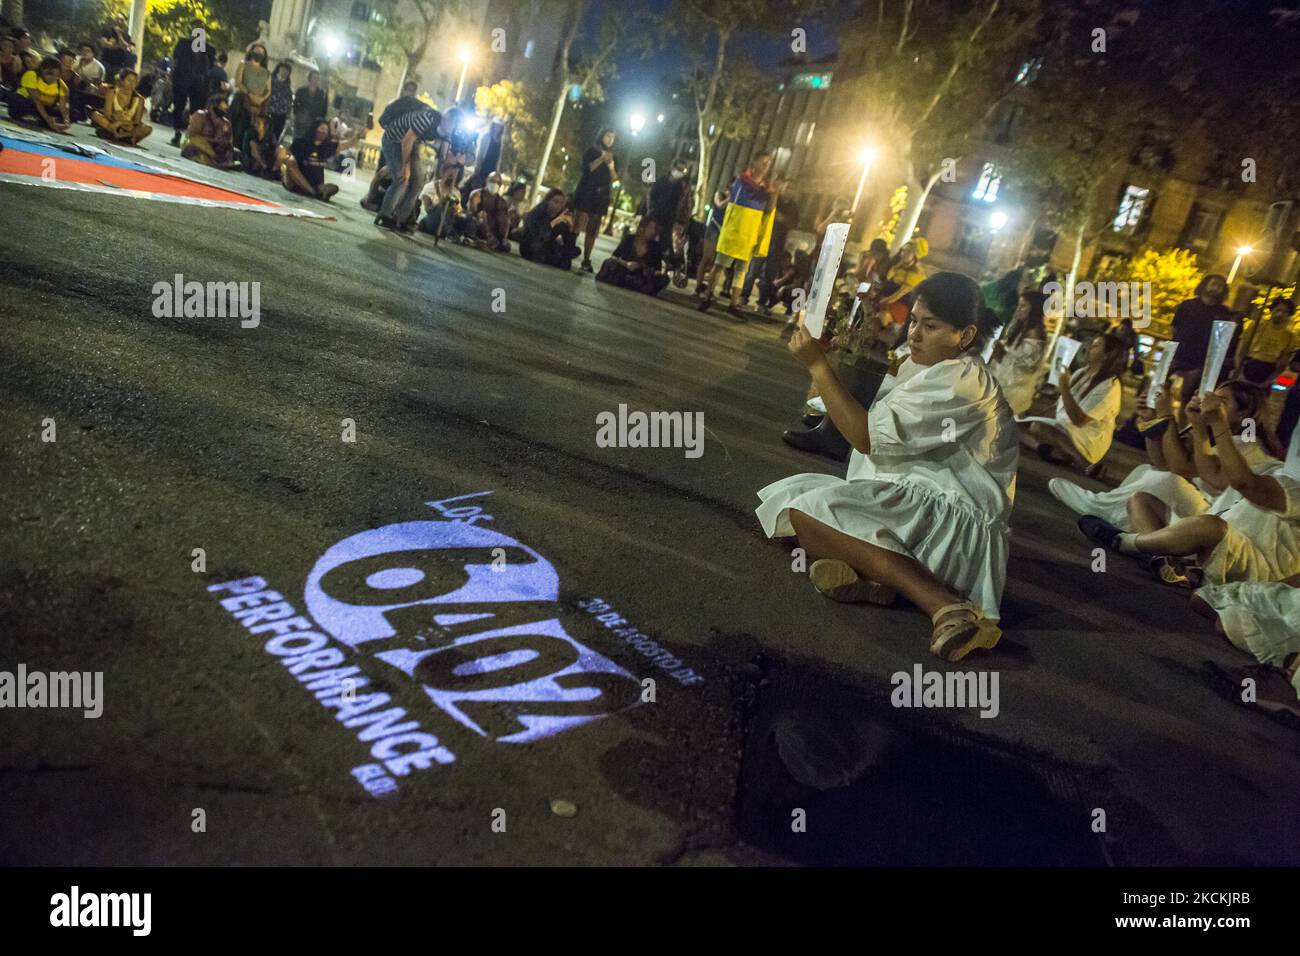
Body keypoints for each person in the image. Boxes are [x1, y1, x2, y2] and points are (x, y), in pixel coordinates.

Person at [756, 272, 1016, 661]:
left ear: (964, 335)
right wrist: (828, 367)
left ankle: (947, 606)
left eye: (930, 326)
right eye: (913, 321)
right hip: (913, 498)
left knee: (808, 514)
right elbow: (865, 414)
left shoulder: (964, 381)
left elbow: (865, 436)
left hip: (948, 524)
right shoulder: (926, 366)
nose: (914, 333)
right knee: (790, 497)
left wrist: (820, 368)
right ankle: (879, 582)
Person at [1052, 381, 1272, 583]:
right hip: (1204, 511)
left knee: (1163, 478)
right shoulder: (1215, 434)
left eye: (1221, 402)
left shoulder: (1247, 444)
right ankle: (1163, 558)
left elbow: (1181, 467)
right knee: (1143, 486)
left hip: (1220, 524)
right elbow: (1161, 461)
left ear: (1246, 414)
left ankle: (1103, 513)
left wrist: (1169, 416)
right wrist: (1152, 421)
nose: (1211, 404)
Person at [1018, 332, 1128, 471]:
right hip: (1063, 429)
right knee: (1013, 424)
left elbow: (1079, 420)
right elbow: (1061, 407)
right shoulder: (1081, 373)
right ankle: (1045, 449)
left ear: (1107, 355)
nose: (1088, 349)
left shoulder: (1110, 386)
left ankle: (1083, 462)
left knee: (1037, 427)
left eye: (1095, 346)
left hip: (1085, 440)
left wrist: (1064, 385)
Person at [698, 152, 775, 319]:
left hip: (750, 234)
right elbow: (733, 206)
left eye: (768, 163)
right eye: (763, 162)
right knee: (720, 265)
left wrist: (772, 196)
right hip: (734, 232)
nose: (766, 165)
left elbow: (767, 213)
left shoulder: (767, 189)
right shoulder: (741, 182)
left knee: (741, 271)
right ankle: (707, 297)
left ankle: (733, 304)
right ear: (753, 163)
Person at [375, 101, 449, 231]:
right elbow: (407, 140)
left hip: (413, 143)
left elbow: (445, 153)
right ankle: (384, 216)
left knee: (418, 182)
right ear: (446, 119)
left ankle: (401, 219)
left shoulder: (450, 131)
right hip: (394, 140)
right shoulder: (427, 118)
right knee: (402, 179)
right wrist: (405, 166)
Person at [1169, 273, 1231, 404]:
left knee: (1188, 398)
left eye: (1219, 286)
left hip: (1199, 362)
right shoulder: (1188, 305)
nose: (1215, 288)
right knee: (1160, 389)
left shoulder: (1224, 313)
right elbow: (1175, 328)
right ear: (1205, 285)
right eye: (1213, 284)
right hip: (1178, 354)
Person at [988, 290, 1048, 415]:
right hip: (1004, 378)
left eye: (1023, 306)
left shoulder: (1034, 335)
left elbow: (1025, 370)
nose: (1018, 309)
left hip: (1015, 390)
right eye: (1019, 305)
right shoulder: (1021, 328)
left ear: (1034, 309)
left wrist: (1001, 355)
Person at [741, 177, 797, 306]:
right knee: (753, 269)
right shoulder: (774, 199)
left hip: (778, 244)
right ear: (782, 187)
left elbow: (792, 223)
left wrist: (782, 218)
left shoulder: (794, 206)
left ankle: (762, 301)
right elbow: (771, 213)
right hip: (764, 238)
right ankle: (744, 295)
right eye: (787, 187)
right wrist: (782, 219)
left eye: (792, 188)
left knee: (770, 274)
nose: (789, 190)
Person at [572, 128, 618, 273]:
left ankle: (587, 259)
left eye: (612, 137)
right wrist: (600, 159)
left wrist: (610, 164)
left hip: (601, 195)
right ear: (601, 136)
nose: (610, 139)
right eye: (607, 136)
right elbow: (587, 169)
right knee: (579, 223)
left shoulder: (613, 156)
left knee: (593, 229)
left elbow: (615, 177)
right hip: (586, 192)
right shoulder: (591, 151)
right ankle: (569, 249)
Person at [280, 119, 357, 200]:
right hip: (296, 182)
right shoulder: (300, 143)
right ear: (314, 129)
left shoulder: (326, 147)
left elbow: (346, 144)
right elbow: (287, 157)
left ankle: (316, 191)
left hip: (316, 184)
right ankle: (312, 192)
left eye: (326, 130)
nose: (324, 132)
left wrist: (358, 136)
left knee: (334, 188)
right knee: (291, 161)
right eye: (322, 129)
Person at [644, 158, 693, 279]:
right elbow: (651, 195)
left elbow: (684, 203)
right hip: (655, 215)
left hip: (669, 219)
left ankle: (661, 268)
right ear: (673, 168)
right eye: (679, 169)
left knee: (665, 244)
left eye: (683, 170)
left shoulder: (681, 186)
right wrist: (651, 209)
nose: (680, 172)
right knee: (648, 240)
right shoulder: (661, 181)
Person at [169, 19, 214, 146]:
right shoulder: (183, 43)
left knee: (196, 111)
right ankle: (177, 133)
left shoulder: (209, 49)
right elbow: (175, 60)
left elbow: (210, 67)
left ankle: (192, 136)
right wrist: (172, 75)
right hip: (182, 79)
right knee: (179, 106)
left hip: (199, 84)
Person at [597, 219, 669, 296]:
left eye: (654, 229)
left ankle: (638, 285)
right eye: (650, 228)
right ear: (642, 228)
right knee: (609, 263)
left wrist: (645, 268)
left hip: (641, 275)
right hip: (624, 270)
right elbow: (614, 256)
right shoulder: (629, 239)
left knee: (663, 279)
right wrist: (626, 264)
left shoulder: (656, 247)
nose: (653, 232)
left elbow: (657, 269)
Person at [1234, 297, 1297, 385]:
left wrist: (1271, 379)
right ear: (1272, 310)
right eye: (1278, 310)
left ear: (1289, 315)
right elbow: (1242, 348)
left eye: (1285, 312)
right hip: (1249, 365)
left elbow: (1283, 360)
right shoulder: (1256, 326)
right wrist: (1238, 368)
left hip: (1269, 370)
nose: (1280, 314)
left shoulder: (1290, 336)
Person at [519, 188, 581, 269]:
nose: (558, 206)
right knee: (562, 259)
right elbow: (539, 235)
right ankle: (559, 258)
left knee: (575, 250)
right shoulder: (540, 211)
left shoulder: (560, 214)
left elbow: (568, 241)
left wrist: (571, 229)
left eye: (561, 203)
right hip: (531, 247)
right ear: (548, 201)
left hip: (546, 246)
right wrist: (554, 224)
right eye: (555, 202)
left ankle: (560, 257)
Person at [90, 68, 151, 145]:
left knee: (147, 128)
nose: (132, 84)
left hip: (129, 126)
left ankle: (118, 135)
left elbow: (137, 121)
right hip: (112, 123)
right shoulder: (112, 93)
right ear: (122, 80)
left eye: (135, 81)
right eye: (129, 80)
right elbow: (107, 114)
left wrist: (121, 123)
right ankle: (125, 137)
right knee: (95, 115)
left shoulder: (140, 99)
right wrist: (116, 122)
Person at [10, 57, 71, 132]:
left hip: (46, 106)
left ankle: (44, 121)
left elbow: (63, 105)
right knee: (19, 101)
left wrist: (66, 120)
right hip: (28, 102)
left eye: (57, 75)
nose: (54, 78)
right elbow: (36, 101)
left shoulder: (61, 85)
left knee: (71, 113)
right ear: (42, 70)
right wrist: (48, 119)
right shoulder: (32, 75)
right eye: (50, 74)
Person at [456, 171, 512, 250]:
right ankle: (484, 239)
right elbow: (472, 212)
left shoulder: (501, 202)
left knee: (506, 244)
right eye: (492, 181)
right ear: (487, 181)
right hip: (476, 226)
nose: (495, 184)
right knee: (482, 214)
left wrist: (503, 237)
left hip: (492, 229)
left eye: (498, 182)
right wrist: (486, 230)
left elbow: (505, 220)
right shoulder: (477, 194)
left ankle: (491, 242)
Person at [180, 93, 234, 168]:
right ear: (213, 106)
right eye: (221, 107)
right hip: (200, 146)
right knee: (196, 142)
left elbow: (228, 140)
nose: (223, 110)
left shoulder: (226, 123)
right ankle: (214, 159)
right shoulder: (200, 115)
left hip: (218, 149)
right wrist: (212, 142)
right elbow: (193, 136)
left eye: (225, 109)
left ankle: (217, 160)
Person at [71, 43, 106, 118]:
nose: (85, 52)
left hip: (89, 90)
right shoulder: (76, 59)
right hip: (74, 85)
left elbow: (97, 84)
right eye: (83, 50)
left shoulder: (98, 67)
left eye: (88, 51)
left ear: (93, 53)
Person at [292, 69, 326, 140]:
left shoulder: (321, 93)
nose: (316, 80)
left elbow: (323, 108)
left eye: (317, 78)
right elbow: (295, 104)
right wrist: (299, 114)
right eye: (314, 77)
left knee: (307, 144)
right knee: (296, 142)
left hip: (313, 123)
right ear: (309, 78)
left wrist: (319, 120)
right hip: (300, 121)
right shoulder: (301, 90)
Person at [265, 61, 293, 143]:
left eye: (287, 70)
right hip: (268, 112)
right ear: (278, 68)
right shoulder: (270, 80)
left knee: (275, 138)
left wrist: (288, 113)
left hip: (281, 116)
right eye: (283, 68)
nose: (285, 71)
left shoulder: (287, 86)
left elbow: (289, 102)